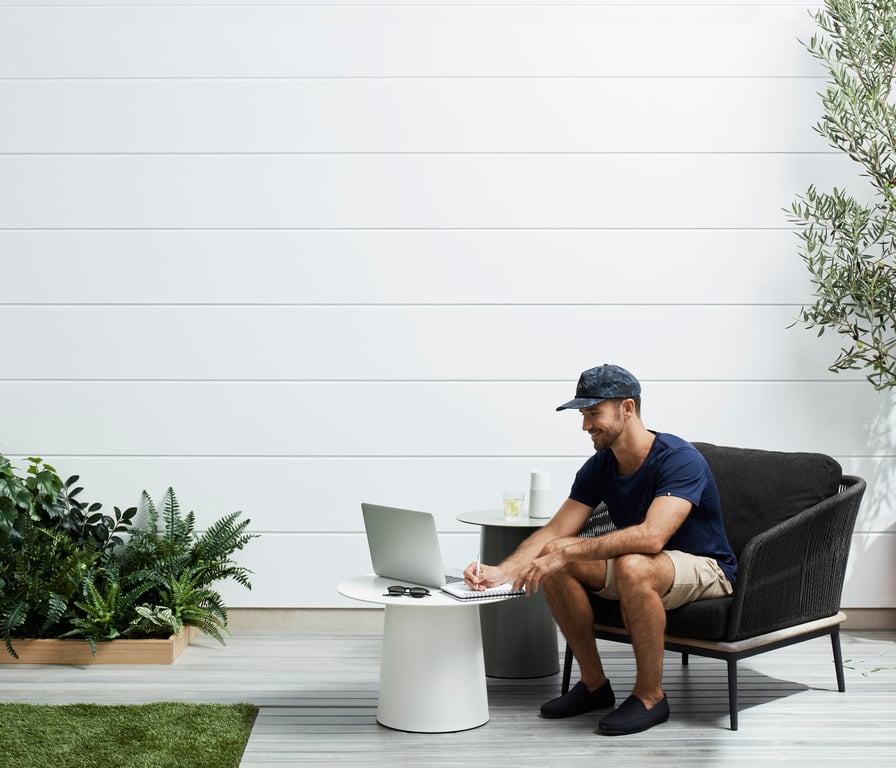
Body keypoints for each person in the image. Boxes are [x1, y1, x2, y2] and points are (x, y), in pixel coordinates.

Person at [464, 364, 737, 736]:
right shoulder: (600, 466)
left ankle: (651, 696)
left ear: (627, 408)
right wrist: (501, 572)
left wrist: (570, 550)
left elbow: (653, 537)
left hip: (705, 567)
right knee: (559, 559)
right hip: (639, 563)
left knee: (631, 565)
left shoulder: (678, 458)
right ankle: (594, 686)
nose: (585, 425)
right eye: (583, 415)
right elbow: (556, 530)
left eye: (593, 413)